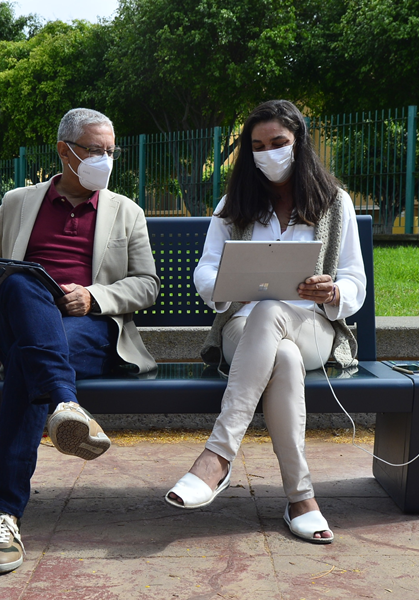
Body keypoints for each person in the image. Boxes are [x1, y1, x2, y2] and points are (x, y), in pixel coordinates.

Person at [164, 100, 366, 544]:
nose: (268, 153)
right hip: (243, 330)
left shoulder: (334, 203)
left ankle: (217, 457)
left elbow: (355, 280)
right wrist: (222, 286)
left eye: (278, 143)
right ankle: (301, 499)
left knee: (277, 315)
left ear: (300, 143)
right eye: (257, 146)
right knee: (285, 359)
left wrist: (333, 292)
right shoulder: (233, 204)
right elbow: (205, 269)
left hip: (312, 326)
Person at [0, 108, 160, 574]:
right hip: (19, 322)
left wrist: (94, 296)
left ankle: (4, 512)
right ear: (64, 151)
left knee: (26, 364)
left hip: (89, 331)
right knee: (19, 282)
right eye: (95, 150)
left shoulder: (126, 212)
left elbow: (148, 285)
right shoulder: (19, 202)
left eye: (110, 151)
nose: (105, 159)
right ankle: (66, 405)